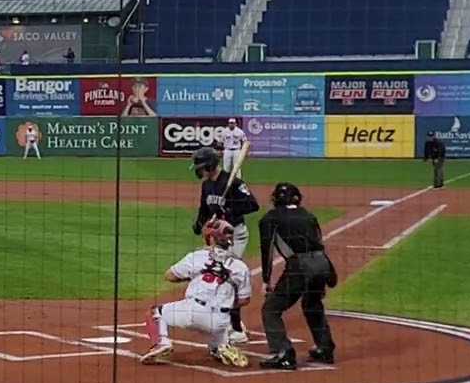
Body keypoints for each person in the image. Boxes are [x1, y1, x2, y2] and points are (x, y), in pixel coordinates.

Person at [140, 217, 252, 368]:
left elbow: (169, 276)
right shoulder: (241, 267)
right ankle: (219, 347)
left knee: (154, 312)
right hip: (220, 322)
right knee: (218, 339)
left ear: (212, 237)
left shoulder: (197, 257)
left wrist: (193, 278)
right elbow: (244, 300)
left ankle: (161, 343)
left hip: (192, 313)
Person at [257, 182, 339, 370]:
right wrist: (329, 273)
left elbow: (266, 249)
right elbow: (319, 244)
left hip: (300, 265)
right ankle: (325, 348)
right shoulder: (309, 215)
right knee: (312, 304)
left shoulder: (270, 218)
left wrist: (266, 280)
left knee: (271, 309)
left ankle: (282, 352)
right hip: (322, 263)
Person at [190, 146, 260, 344]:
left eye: (201, 167)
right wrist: (198, 223)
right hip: (217, 236)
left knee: (228, 276)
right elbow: (204, 208)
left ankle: (237, 328)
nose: (198, 170)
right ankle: (226, 321)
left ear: (210, 165)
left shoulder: (233, 182)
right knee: (218, 275)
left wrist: (229, 207)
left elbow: (252, 204)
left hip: (235, 234)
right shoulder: (207, 185)